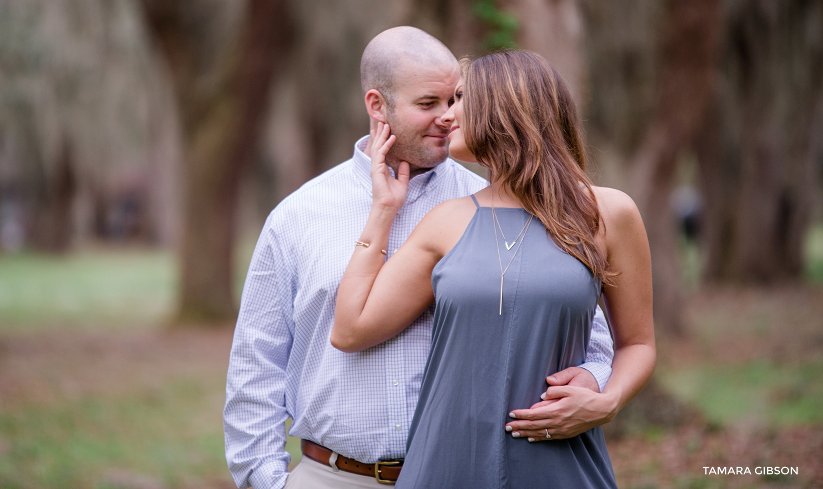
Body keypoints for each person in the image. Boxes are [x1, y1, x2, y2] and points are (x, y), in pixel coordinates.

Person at [224, 28, 617, 489]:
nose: (449, 117)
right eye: (429, 104)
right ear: (377, 105)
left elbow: (588, 335)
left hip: (465, 473)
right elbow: (258, 364)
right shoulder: (299, 216)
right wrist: (269, 482)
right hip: (331, 476)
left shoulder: (502, 206)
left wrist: (591, 383)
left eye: (456, 100)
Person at [330, 49, 656, 488]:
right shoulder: (446, 221)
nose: (447, 114)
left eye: (460, 97)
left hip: (558, 464)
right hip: (446, 465)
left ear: (508, 107)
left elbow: (637, 343)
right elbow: (351, 329)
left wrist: (608, 400)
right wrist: (383, 210)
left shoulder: (608, 213)